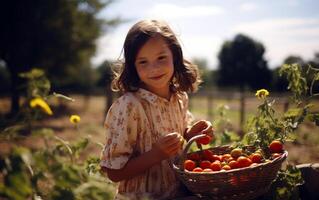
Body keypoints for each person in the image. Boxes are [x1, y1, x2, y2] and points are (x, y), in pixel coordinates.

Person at [100, 19, 214, 200]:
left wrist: (192, 133)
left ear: (175, 57)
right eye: (143, 62)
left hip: (178, 191)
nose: (154, 68)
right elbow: (114, 173)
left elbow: (181, 133)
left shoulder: (179, 98)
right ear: (133, 66)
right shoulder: (129, 107)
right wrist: (156, 155)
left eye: (161, 58)